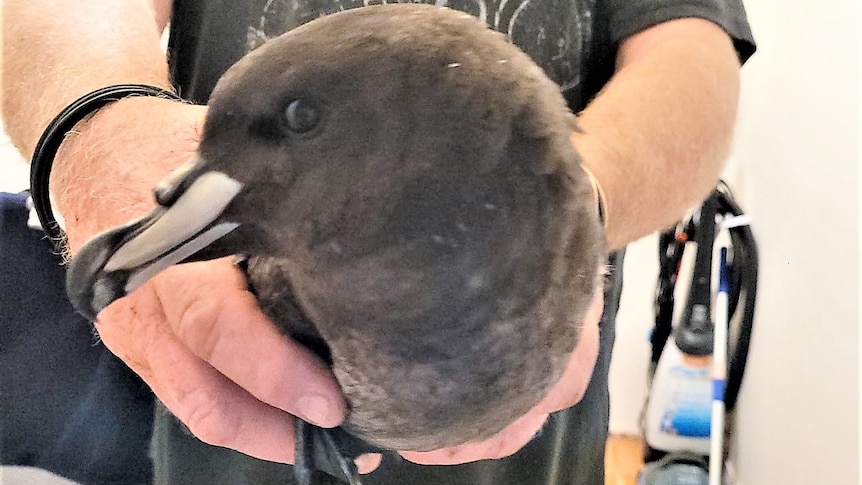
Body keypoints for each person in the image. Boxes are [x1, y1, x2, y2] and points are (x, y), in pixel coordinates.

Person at [1, 1, 755, 484]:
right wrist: (95, 132)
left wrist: (558, 212)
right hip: (225, 447)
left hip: (534, 450)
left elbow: (691, 54)